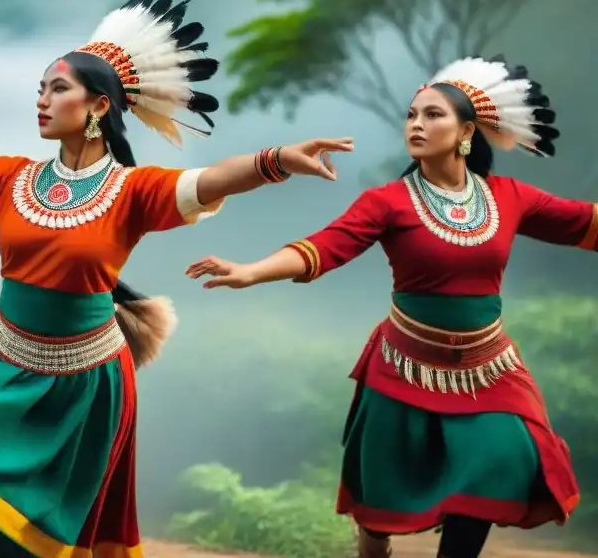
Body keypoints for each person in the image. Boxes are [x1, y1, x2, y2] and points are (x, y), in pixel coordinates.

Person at [0, 0, 356, 558]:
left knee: (47, 538)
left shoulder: (132, 191)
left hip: (86, 381)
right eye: (40, 89)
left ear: (99, 106)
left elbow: (214, 178)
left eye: (58, 88)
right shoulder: (8, 177)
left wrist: (275, 160)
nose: (42, 100)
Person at [186, 55, 594, 558]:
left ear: (467, 131)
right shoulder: (388, 202)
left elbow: (587, 225)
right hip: (404, 368)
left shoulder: (509, 197)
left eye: (432, 115)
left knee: (504, 456)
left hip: (490, 369)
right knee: (379, 505)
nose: (417, 125)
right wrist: (251, 270)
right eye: (411, 115)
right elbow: (323, 246)